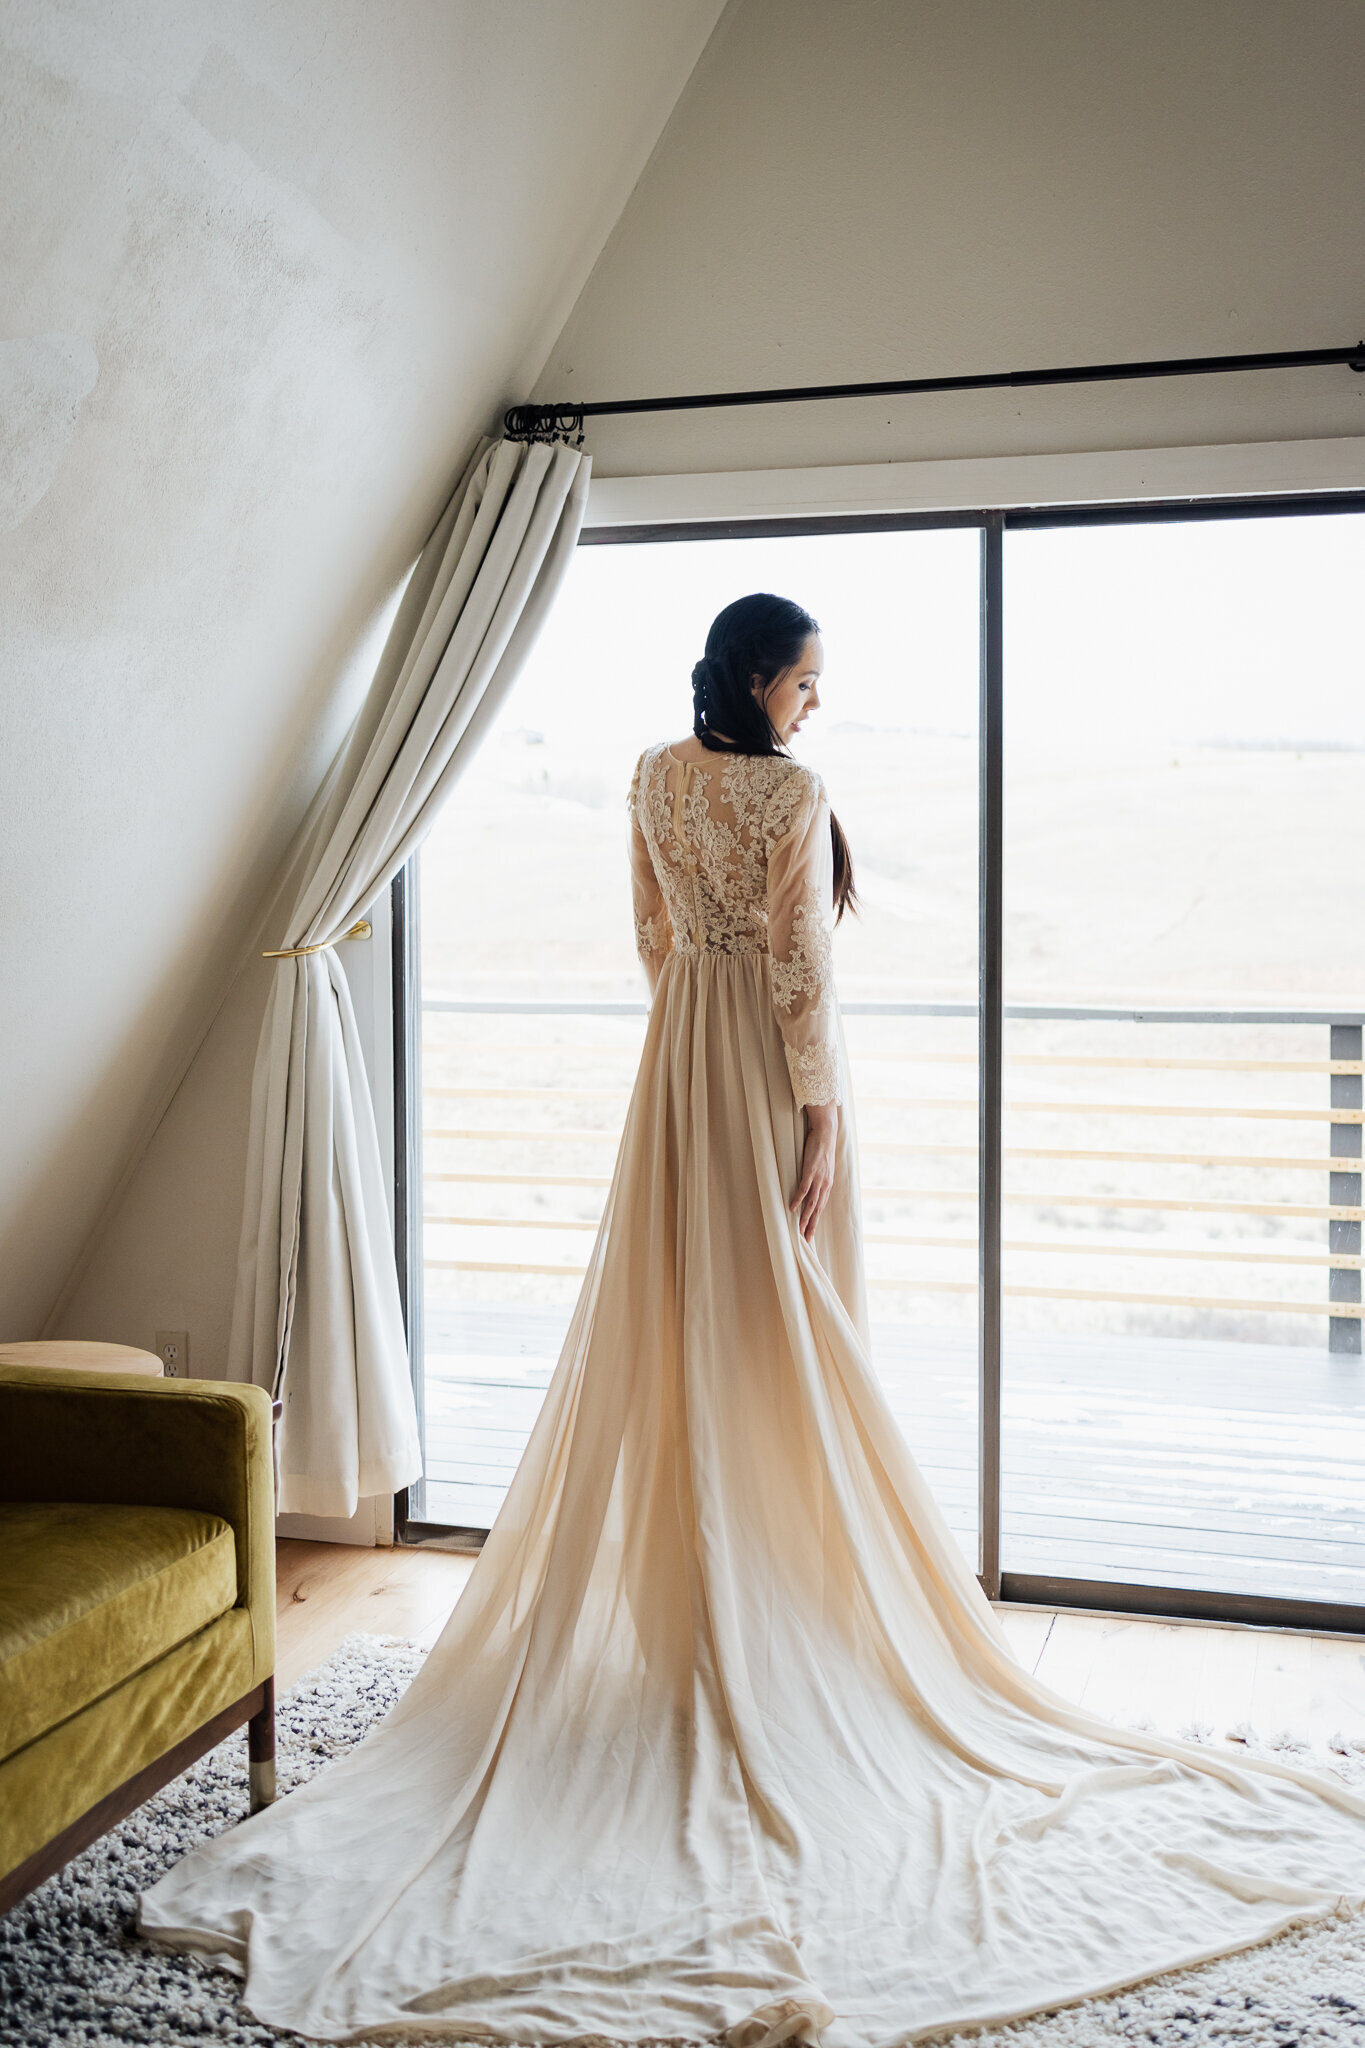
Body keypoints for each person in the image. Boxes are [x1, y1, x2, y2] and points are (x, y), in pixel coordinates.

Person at [140, 593, 1365, 2047]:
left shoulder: (657, 773)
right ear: (757, 680)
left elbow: (652, 933)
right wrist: (818, 1111)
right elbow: (804, 964)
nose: (813, 705)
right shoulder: (787, 790)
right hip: (765, 1076)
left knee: (679, 1325)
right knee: (779, 1341)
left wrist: (689, 1034)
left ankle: (704, 1610)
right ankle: (773, 1605)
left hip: (677, 1071)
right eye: (805, 681)